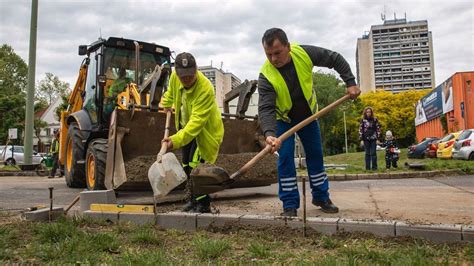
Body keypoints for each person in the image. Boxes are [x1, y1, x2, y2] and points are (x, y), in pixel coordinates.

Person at [258, 28, 360, 217]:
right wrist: (269, 134)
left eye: (277, 53)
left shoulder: (303, 54)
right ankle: (289, 204)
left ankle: (321, 197)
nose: (273, 59)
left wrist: (350, 82)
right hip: (284, 120)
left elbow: (334, 58)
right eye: (268, 54)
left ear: (288, 47)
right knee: (286, 158)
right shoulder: (266, 75)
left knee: (315, 155)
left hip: (309, 117)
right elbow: (266, 109)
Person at [161, 52, 224, 213]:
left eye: (190, 75)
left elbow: (196, 123)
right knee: (187, 165)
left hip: (204, 132)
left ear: (196, 70)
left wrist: (173, 140)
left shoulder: (205, 88)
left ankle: (203, 204)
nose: (187, 79)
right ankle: (193, 201)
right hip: (185, 129)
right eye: (183, 77)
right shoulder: (175, 78)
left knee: (197, 168)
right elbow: (171, 93)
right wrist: (166, 103)